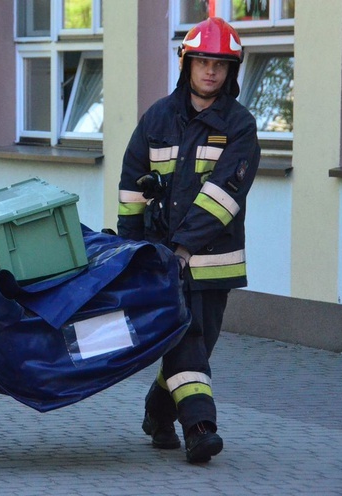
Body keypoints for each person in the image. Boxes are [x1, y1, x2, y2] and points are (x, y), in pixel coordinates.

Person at [117, 17, 260, 464]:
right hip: (161, 259)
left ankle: (158, 414)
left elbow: (224, 196)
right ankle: (200, 428)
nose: (211, 72)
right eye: (202, 61)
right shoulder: (158, 116)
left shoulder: (239, 125)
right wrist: (131, 249)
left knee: (198, 345)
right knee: (185, 339)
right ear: (187, 63)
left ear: (231, 70)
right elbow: (130, 187)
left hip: (212, 261)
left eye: (220, 64)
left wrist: (182, 248)